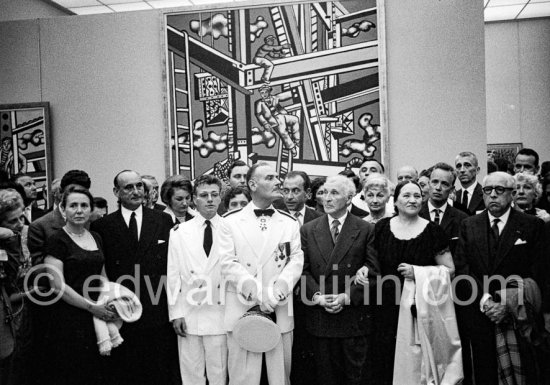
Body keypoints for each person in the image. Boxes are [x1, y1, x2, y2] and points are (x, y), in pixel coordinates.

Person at [454, 172, 546, 385]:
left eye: (500, 190)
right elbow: (462, 269)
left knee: (523, 374)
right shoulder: (469, 224)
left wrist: (506, 303)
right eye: (488, 190)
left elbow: (538, 272)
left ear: (512, 193)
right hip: (480, 312)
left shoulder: (533, 225)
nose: (493, 195)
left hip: (518, 315)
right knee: (484, 372)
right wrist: (486, 301)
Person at [90, 170, 180, 385]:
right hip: (122, 311)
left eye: (139, 186)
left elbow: (172, 265)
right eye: (128, 187)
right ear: (116, 192)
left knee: (157, 372)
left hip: (156, 309)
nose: (136, 191)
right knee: (125, 373)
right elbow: (101, 269)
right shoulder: (103, 226)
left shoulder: (163, 220)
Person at [218, 162, 303, 385]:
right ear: (252, 184)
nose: (278, 182)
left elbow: (295, 260)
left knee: (279, 376)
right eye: (271, 178)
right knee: (243, 376)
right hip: (243, 308)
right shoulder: (230, 222)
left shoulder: (289, 222)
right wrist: (259, 295)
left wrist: (276, 294)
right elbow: (227, 262)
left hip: (279, 307)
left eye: (278, 177)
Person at [371, 180, 456, 385]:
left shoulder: (433, 231)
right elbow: (371, 261)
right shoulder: (381, 227)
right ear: (396, 201)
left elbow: (450, 270)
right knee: (383, 362)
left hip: (417, 312)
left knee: (415, 366)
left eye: (417, 196)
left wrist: (417, 272)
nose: (412, 200)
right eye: (406, 195)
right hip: (383, 308)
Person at [301, 175, 380, 385]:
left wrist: (346, 297)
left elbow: (373, 272)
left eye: (334, 193)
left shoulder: (366, 229)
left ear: (349, 198)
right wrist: (318, 296)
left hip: (353, 320)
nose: (327, 198)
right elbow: (302, 271)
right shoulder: (308, 229)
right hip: (320, 319)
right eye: (325, 192)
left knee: (356, 378)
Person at [42, 185, 114, 384]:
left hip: (97, 317)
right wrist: (92, 308)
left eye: (84, 205)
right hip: (69, 318)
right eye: (73, 205)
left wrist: (106, 301)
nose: (79, 210)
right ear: (63, 210)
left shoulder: (97, 237)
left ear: (91, 210)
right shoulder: (57, 241)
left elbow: (102, 274)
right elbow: (58, 287)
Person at [167, 175, 227, 385]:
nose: (209, 199)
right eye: (203, 195)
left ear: (220, 198)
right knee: (191, 375)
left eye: (214, 195)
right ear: (194, 199)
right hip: (189, 313)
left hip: (220, 312)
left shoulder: (231, 229)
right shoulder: (179, 232)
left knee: (219, 373)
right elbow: (173, 276)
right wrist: (176, 313)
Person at [281, 170, 322, 385]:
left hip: (309, 296)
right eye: (285, 190)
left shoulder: (319, 219)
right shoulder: (274, 217)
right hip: (281, 296)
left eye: (295, 191)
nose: (289, 196)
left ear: (307, 193)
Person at [0, 189, 33, 385]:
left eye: (21, 217)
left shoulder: (21, 235)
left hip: (20, 314)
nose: (20, 224)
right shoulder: (9, 239)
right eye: (13, 221)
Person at [419, 163, 468, 254]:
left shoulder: (462, 219)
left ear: (452, 189)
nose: (438, 188)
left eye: (444, 184)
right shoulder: (415, 214)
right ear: (429, 184)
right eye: (435, 182)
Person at [255, 85, 300, 156]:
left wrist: (297, 91)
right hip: (273, 121)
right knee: (283, 131)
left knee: (295, 119)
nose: (263, 94)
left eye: (265, 92)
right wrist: (265, 124)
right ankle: (291, 147)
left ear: (269, 92)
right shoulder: (260, 103)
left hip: (281, 115)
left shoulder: (274, 98)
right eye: (262, 93)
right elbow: (259, 115)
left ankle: (297, 139)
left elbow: (285, 95)